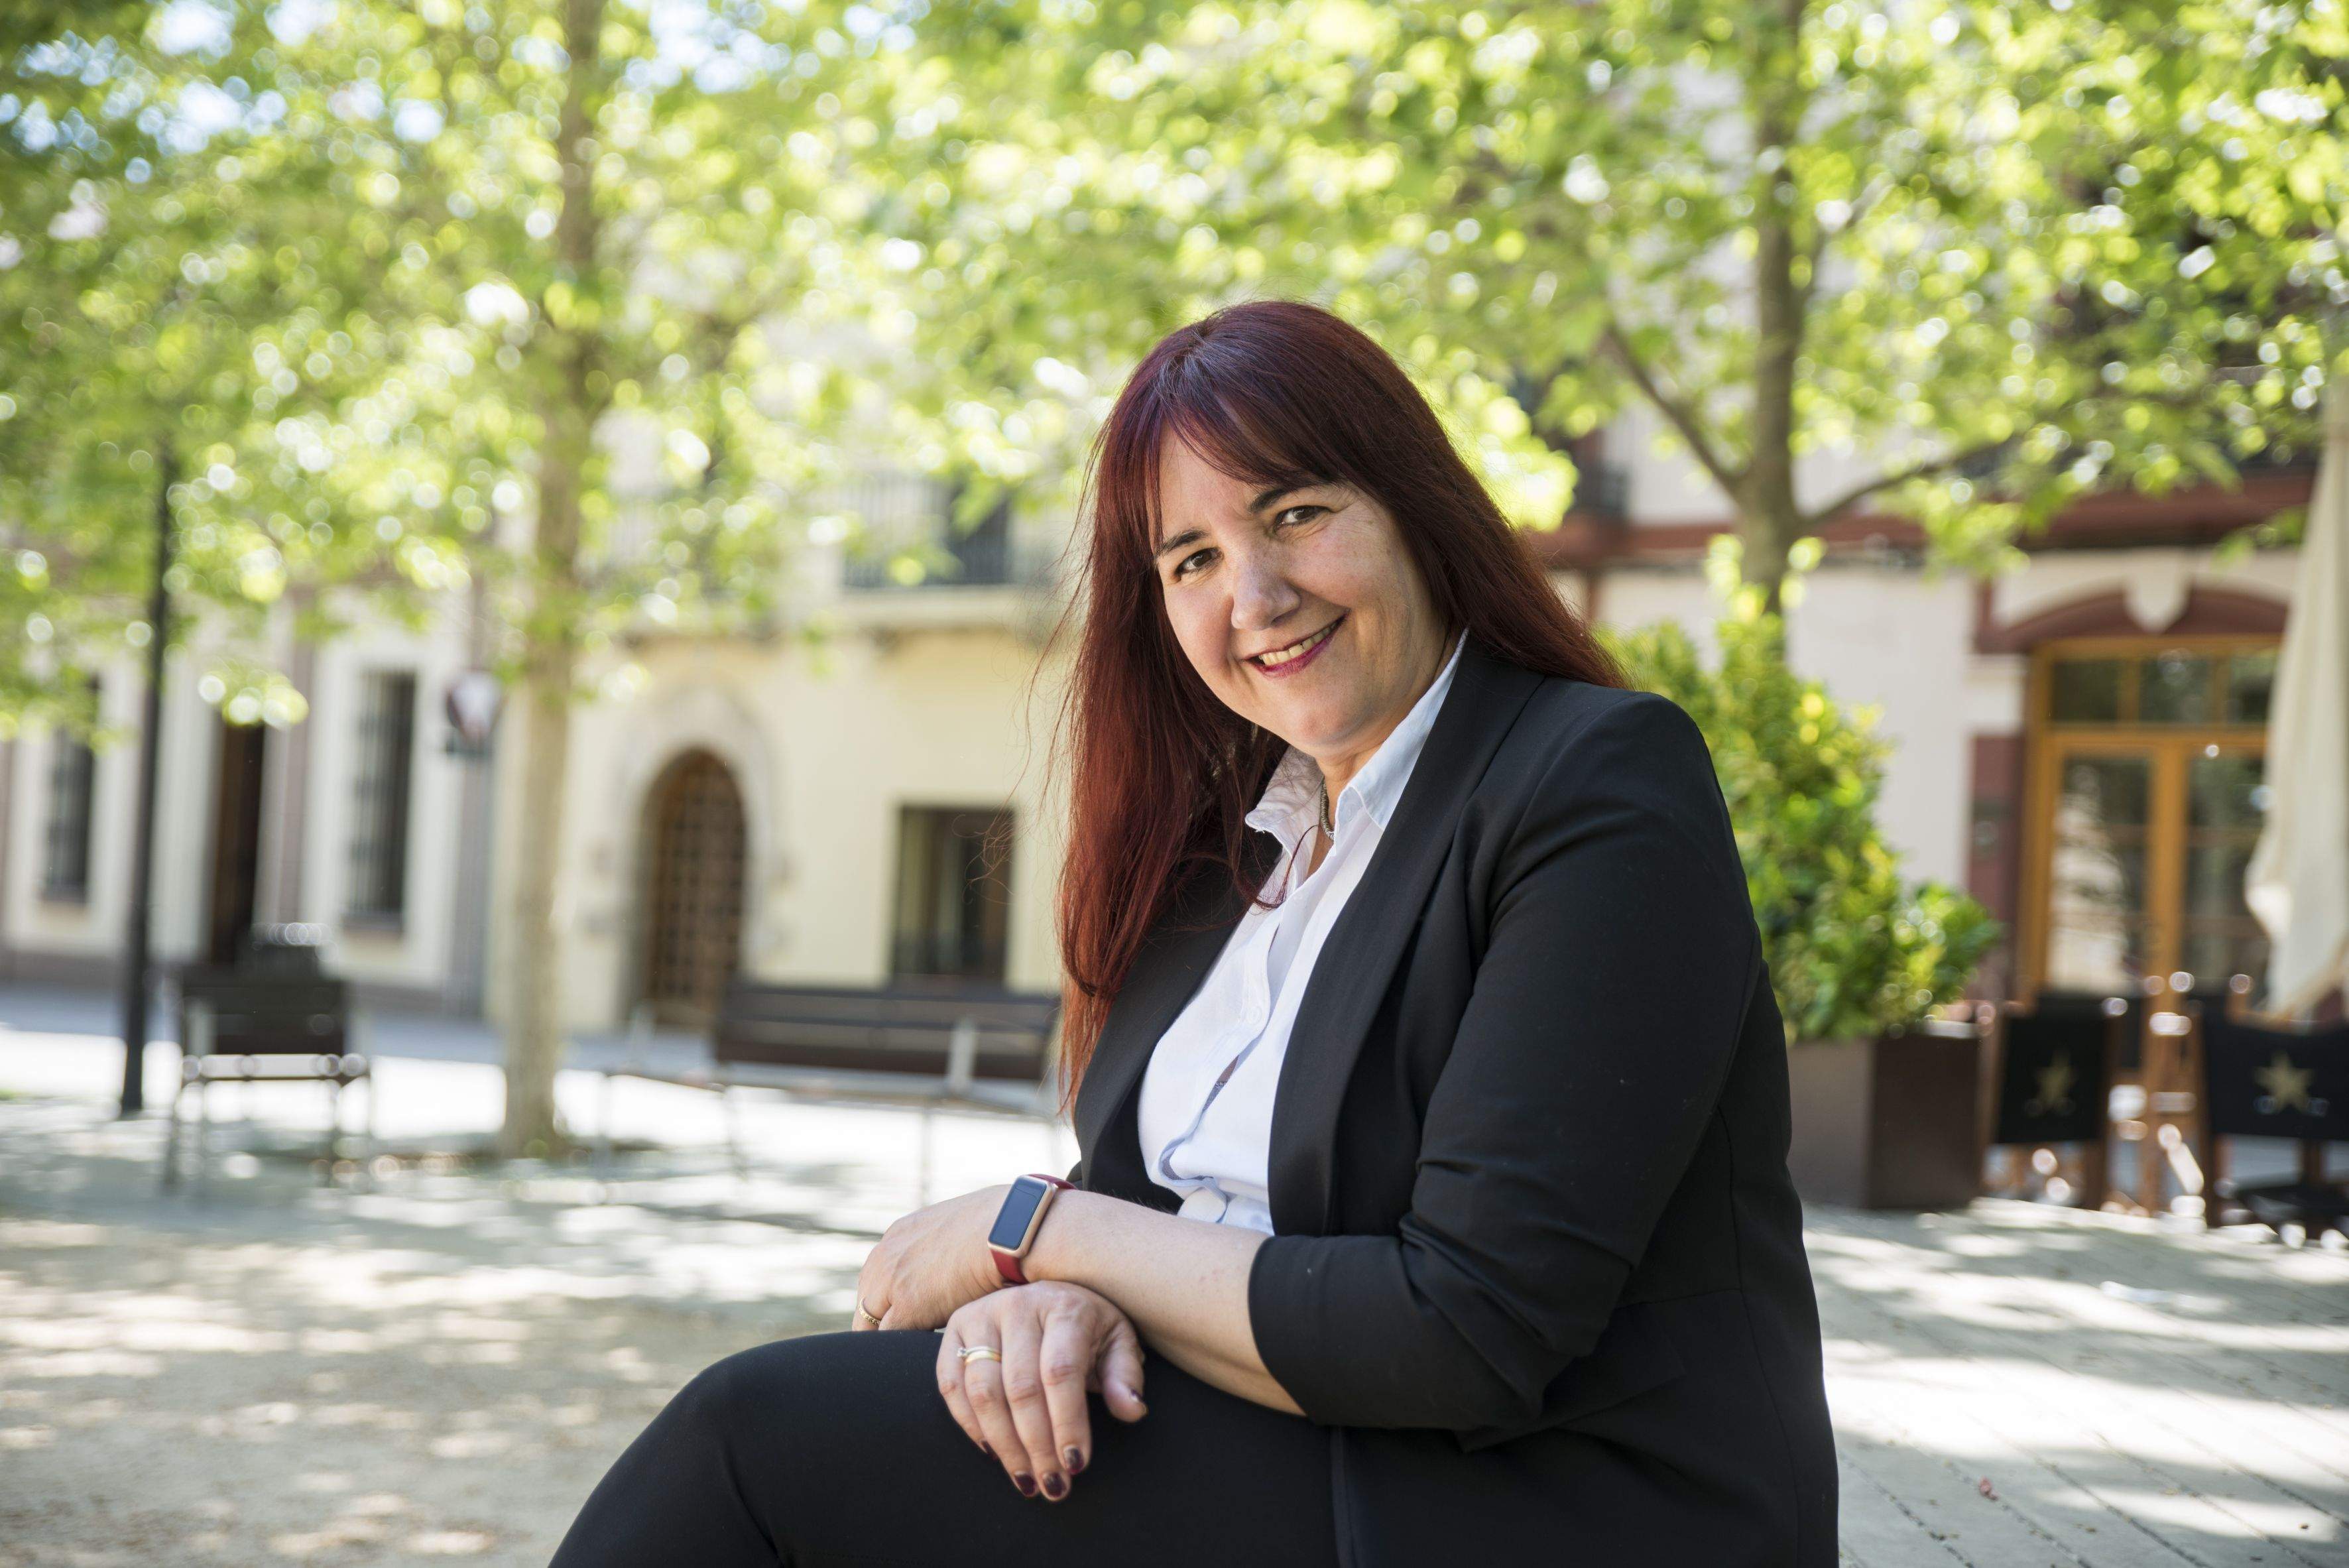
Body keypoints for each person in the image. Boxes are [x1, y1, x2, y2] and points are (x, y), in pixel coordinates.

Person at [548, 300, 1838, 1567]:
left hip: (1523, 1497)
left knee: (752, 1441)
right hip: (1271, 1437)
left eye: (1295, 514)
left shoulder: (1592, 782)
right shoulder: (1226, 851)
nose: (1254, 596)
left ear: (1414, 507)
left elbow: (1465, 1328)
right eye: (1192, 561)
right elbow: (1155, 1208)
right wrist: (1058, 1303)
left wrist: (1031, 1231)